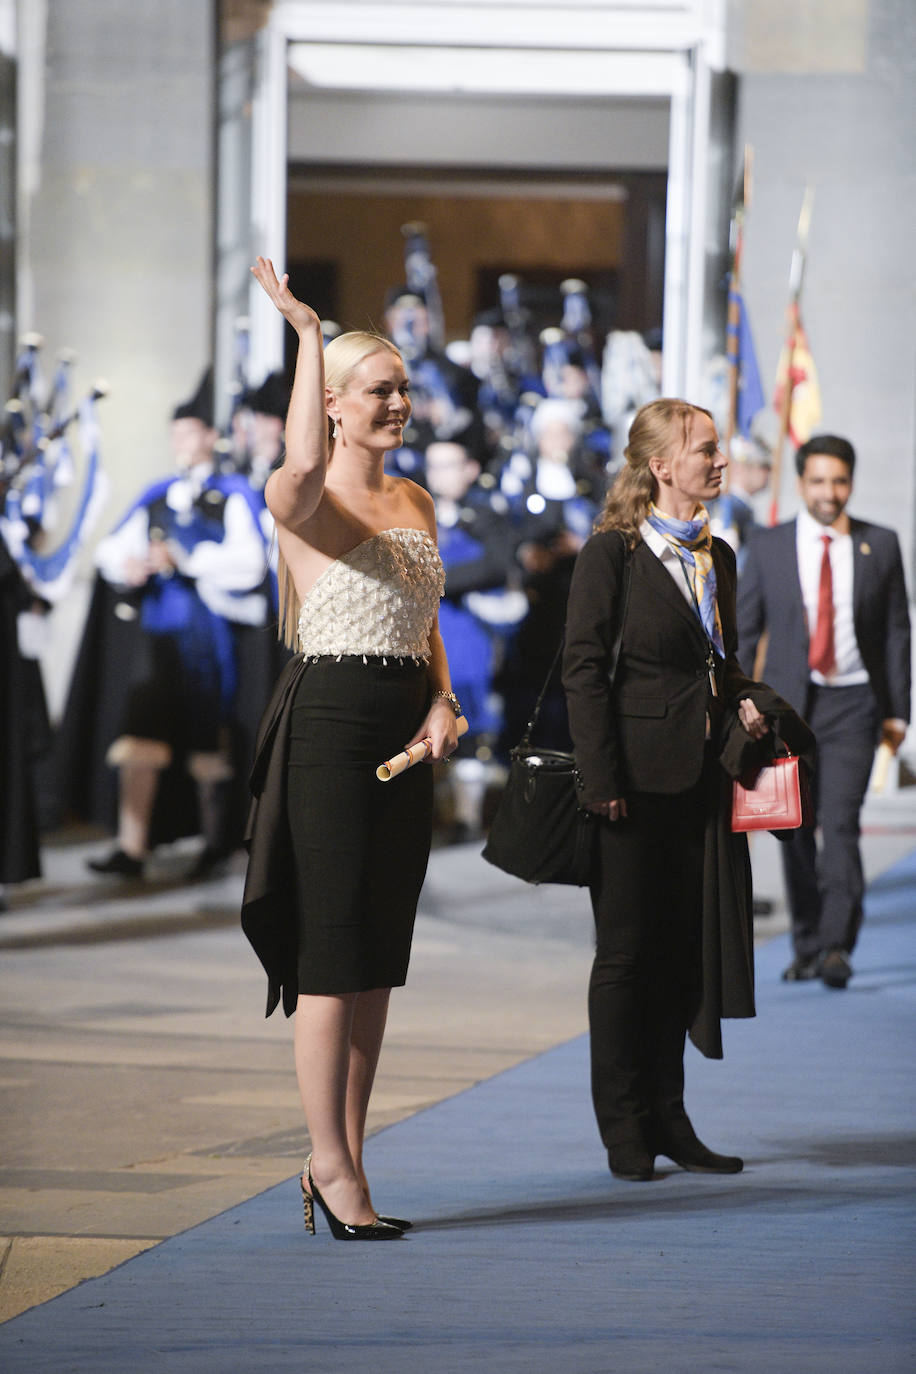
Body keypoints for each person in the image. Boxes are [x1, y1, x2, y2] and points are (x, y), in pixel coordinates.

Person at [241, 257, 460, 1241]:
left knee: (376, 955)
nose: (400, 404)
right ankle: (325, 1162)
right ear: (333, 405)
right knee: (330, 954)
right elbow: (288, 471)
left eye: (406, 389)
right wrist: (304, 335)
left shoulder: (414, 500)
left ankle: (350, 1157)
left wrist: (445, 701)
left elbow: (427, 617)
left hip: (403, 735)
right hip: (329, 727)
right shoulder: (305, 503)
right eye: (381, 390)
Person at [562, 397, 812, 1184]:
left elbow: (719, 662)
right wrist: (600, 779)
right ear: (661, 465)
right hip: (630, 786)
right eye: (704, 450)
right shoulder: (613, 554)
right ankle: (624, 1128)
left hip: (704, 782)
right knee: (627, 959)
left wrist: (747, 698)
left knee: (680, 958)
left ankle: (671, 1119)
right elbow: (582, 670)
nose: (719, 461)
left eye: (718, 449)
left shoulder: (719, 554)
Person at [737, 434, 911, 989]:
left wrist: (898, 710)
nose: (829, 492)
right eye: (817, 481)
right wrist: (740, 699)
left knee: (839, 823)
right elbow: (743, 632)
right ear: (801, 483)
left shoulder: (879, 544)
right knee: (795, 826)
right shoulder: (767, 547)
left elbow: (895, 631)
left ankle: (837, 945)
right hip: (788, 709)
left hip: (855, 704)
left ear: (850, 484)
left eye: (839, 481)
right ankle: (807, 941)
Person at [84, 375, 269, 879]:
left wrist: (186, 558)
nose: (179, 445)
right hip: (158, 633)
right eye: (175, 436)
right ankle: (132, 848)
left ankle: (215, 844)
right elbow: (110, 549)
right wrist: (130, 564)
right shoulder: (158, 493)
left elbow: (251, 564)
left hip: (208, 637)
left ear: (211, 436)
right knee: (141, 735)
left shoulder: (233, 493)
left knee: (209, 740)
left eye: (188, 435)